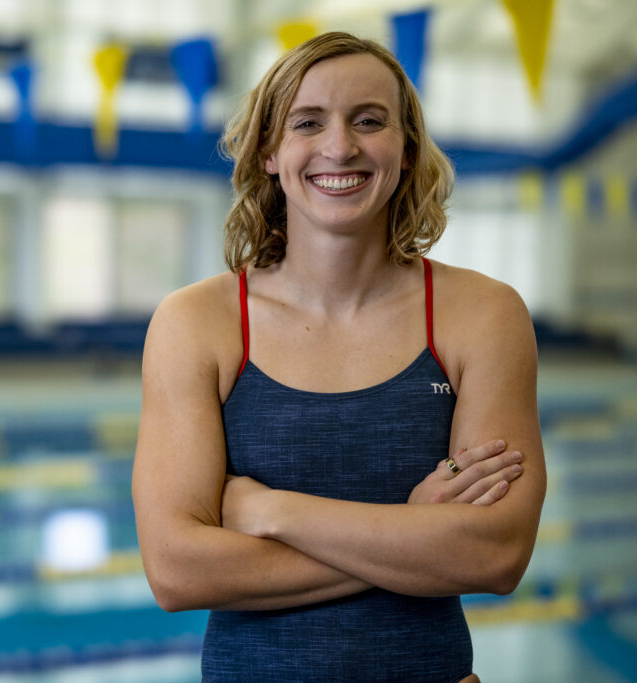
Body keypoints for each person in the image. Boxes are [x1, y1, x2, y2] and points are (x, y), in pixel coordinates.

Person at [132, 32, 545, 682]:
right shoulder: (198, 323)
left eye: (369, 120)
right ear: (269, 150)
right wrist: (411, 534)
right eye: (308, 122)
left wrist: (273, 512)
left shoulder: (481, 315)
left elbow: (495, 551)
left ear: (405, 150)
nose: (340, 146)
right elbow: (176, 570)